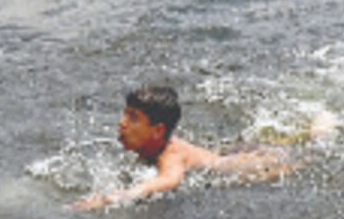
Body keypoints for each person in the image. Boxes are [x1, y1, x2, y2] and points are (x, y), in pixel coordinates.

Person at [73, 85, 308, 211]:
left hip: (252, 164)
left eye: (133, 118)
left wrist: (110, 199)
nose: (122, 123)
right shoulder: (153, 146)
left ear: (157, 131)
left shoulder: (170, 156)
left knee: (304, 155)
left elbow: (169, 180)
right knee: (295, 142)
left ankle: (319, 132)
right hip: (231, 153)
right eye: (125, 114)